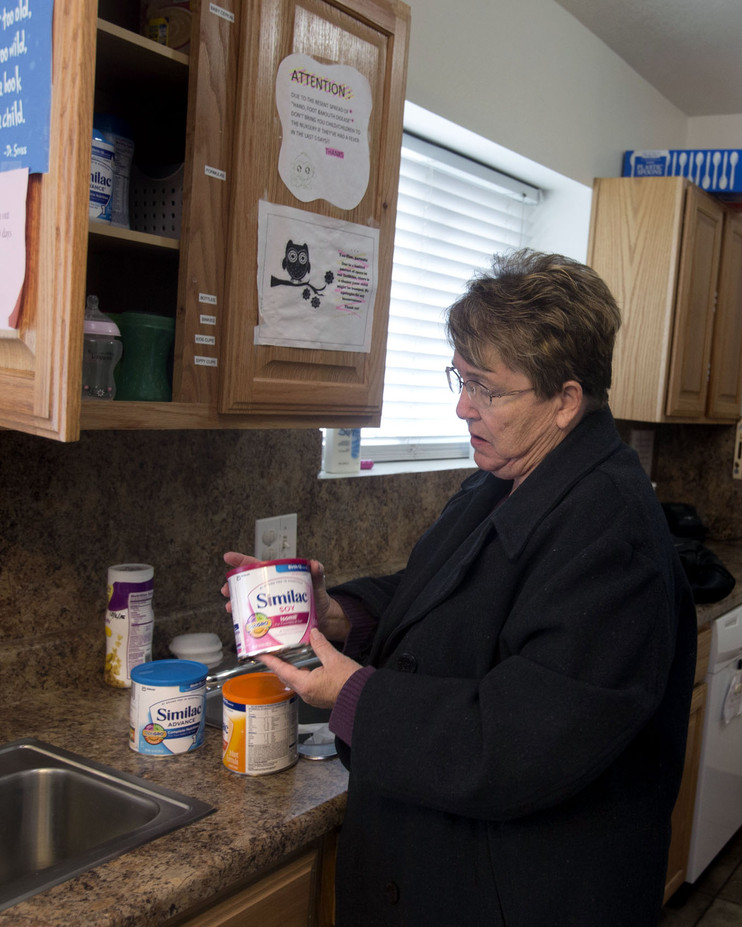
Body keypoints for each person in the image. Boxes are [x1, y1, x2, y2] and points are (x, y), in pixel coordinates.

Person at [224, 249, 697, 926]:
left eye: (487, 388)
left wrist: (352, 695)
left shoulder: (611, 536)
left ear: (566, 401)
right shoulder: (509, 474)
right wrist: (340, 615)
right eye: (461, 376)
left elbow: (513, 742)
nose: (462, 405)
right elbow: (442, 589)